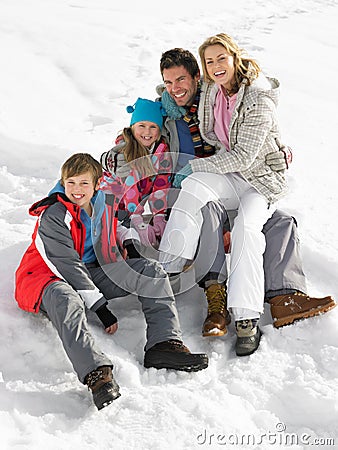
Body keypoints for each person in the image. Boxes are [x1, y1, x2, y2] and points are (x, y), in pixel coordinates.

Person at [156, 44, 335, 354]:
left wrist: (281, 152)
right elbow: (136, 137)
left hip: (241, 180)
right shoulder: (163, 113)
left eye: (181, 80)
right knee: (207, 207)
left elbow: (256, 136)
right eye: (169, 82)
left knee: (280, 222)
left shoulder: (217, 96)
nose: (175, 89)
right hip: (207, 190)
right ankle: (206, 290)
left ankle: (283, 297)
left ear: (197, 77)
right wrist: (116, 156)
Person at [14, 153, 208, 411]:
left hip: (91, 272)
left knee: (150, 271)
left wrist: (129, 243)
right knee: (67, 299)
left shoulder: (101, 201)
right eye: (70, 183)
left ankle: (163, 344)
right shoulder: (54, 213)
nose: (76, 190)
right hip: (46, 277)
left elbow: (118, 222)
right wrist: (100, 308)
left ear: (96, 184)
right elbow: (66, 264)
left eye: (84, 183)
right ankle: (97, 374)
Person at [100, 98, 171, 248]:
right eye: (142, 126)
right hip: (112, 207)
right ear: (132, 127)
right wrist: (137, 220)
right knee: (132, 242)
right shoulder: (125, 151)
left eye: (153, 127)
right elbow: (129, 188)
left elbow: (161, 185)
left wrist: (159, 216)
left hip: (132, 209)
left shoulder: (161, 152)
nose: (147, 132)